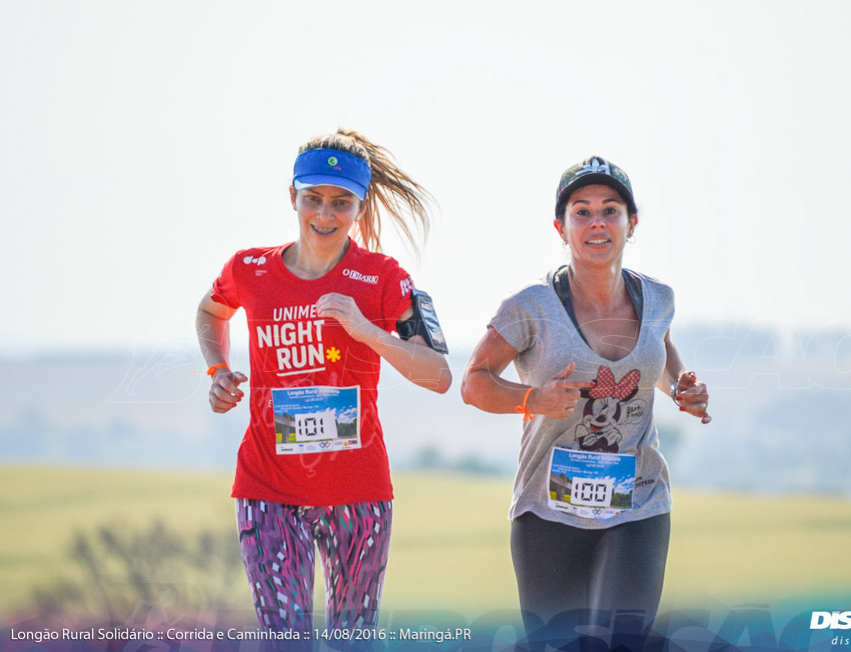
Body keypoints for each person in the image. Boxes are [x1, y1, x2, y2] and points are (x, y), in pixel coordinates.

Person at [195, 129, 451, 642]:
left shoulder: (382, 277)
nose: (324, 215)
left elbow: (438, 376)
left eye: (341, 202)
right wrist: (217, 368)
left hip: (358, 492)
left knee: (351, 640)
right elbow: (210, 310)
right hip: (267, 487)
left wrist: (364, 329)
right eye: (312, 199)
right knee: (284, 638)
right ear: (292, 196)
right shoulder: (249, 268)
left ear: (360, 206)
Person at [460, 155, 710, 645]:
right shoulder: (529, 306)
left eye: (610, 210)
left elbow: (658, 349)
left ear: (631, 223)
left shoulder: (657, 298)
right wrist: (533, 398)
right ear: (561, 227)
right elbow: (474, 382)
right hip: (548, 513)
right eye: (582, 211)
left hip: (638, 503)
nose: (597, 222)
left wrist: (681, 386)